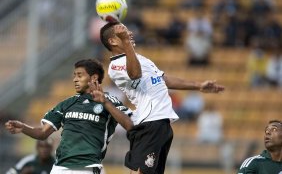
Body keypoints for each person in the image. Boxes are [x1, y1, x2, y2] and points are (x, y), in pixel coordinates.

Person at [99, 22, 225, 174]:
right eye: (123, 32)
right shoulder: (115, 66)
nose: (129, 33)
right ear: (112, 41)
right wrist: (126, 42)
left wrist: (198, 86)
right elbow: (135, 74)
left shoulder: (141, 59)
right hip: (150, 123)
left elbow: (164, 79)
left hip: (161, 124)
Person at [5, 59, 133, 174]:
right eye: (74, 75)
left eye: (79, 75)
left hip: (87, 167)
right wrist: (23, 128)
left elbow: (129, 125)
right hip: (59, 167)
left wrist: (105, 102)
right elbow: (43, 133)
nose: (75, 79)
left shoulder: (110, 101)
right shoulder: (67, 103)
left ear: (94, 78)